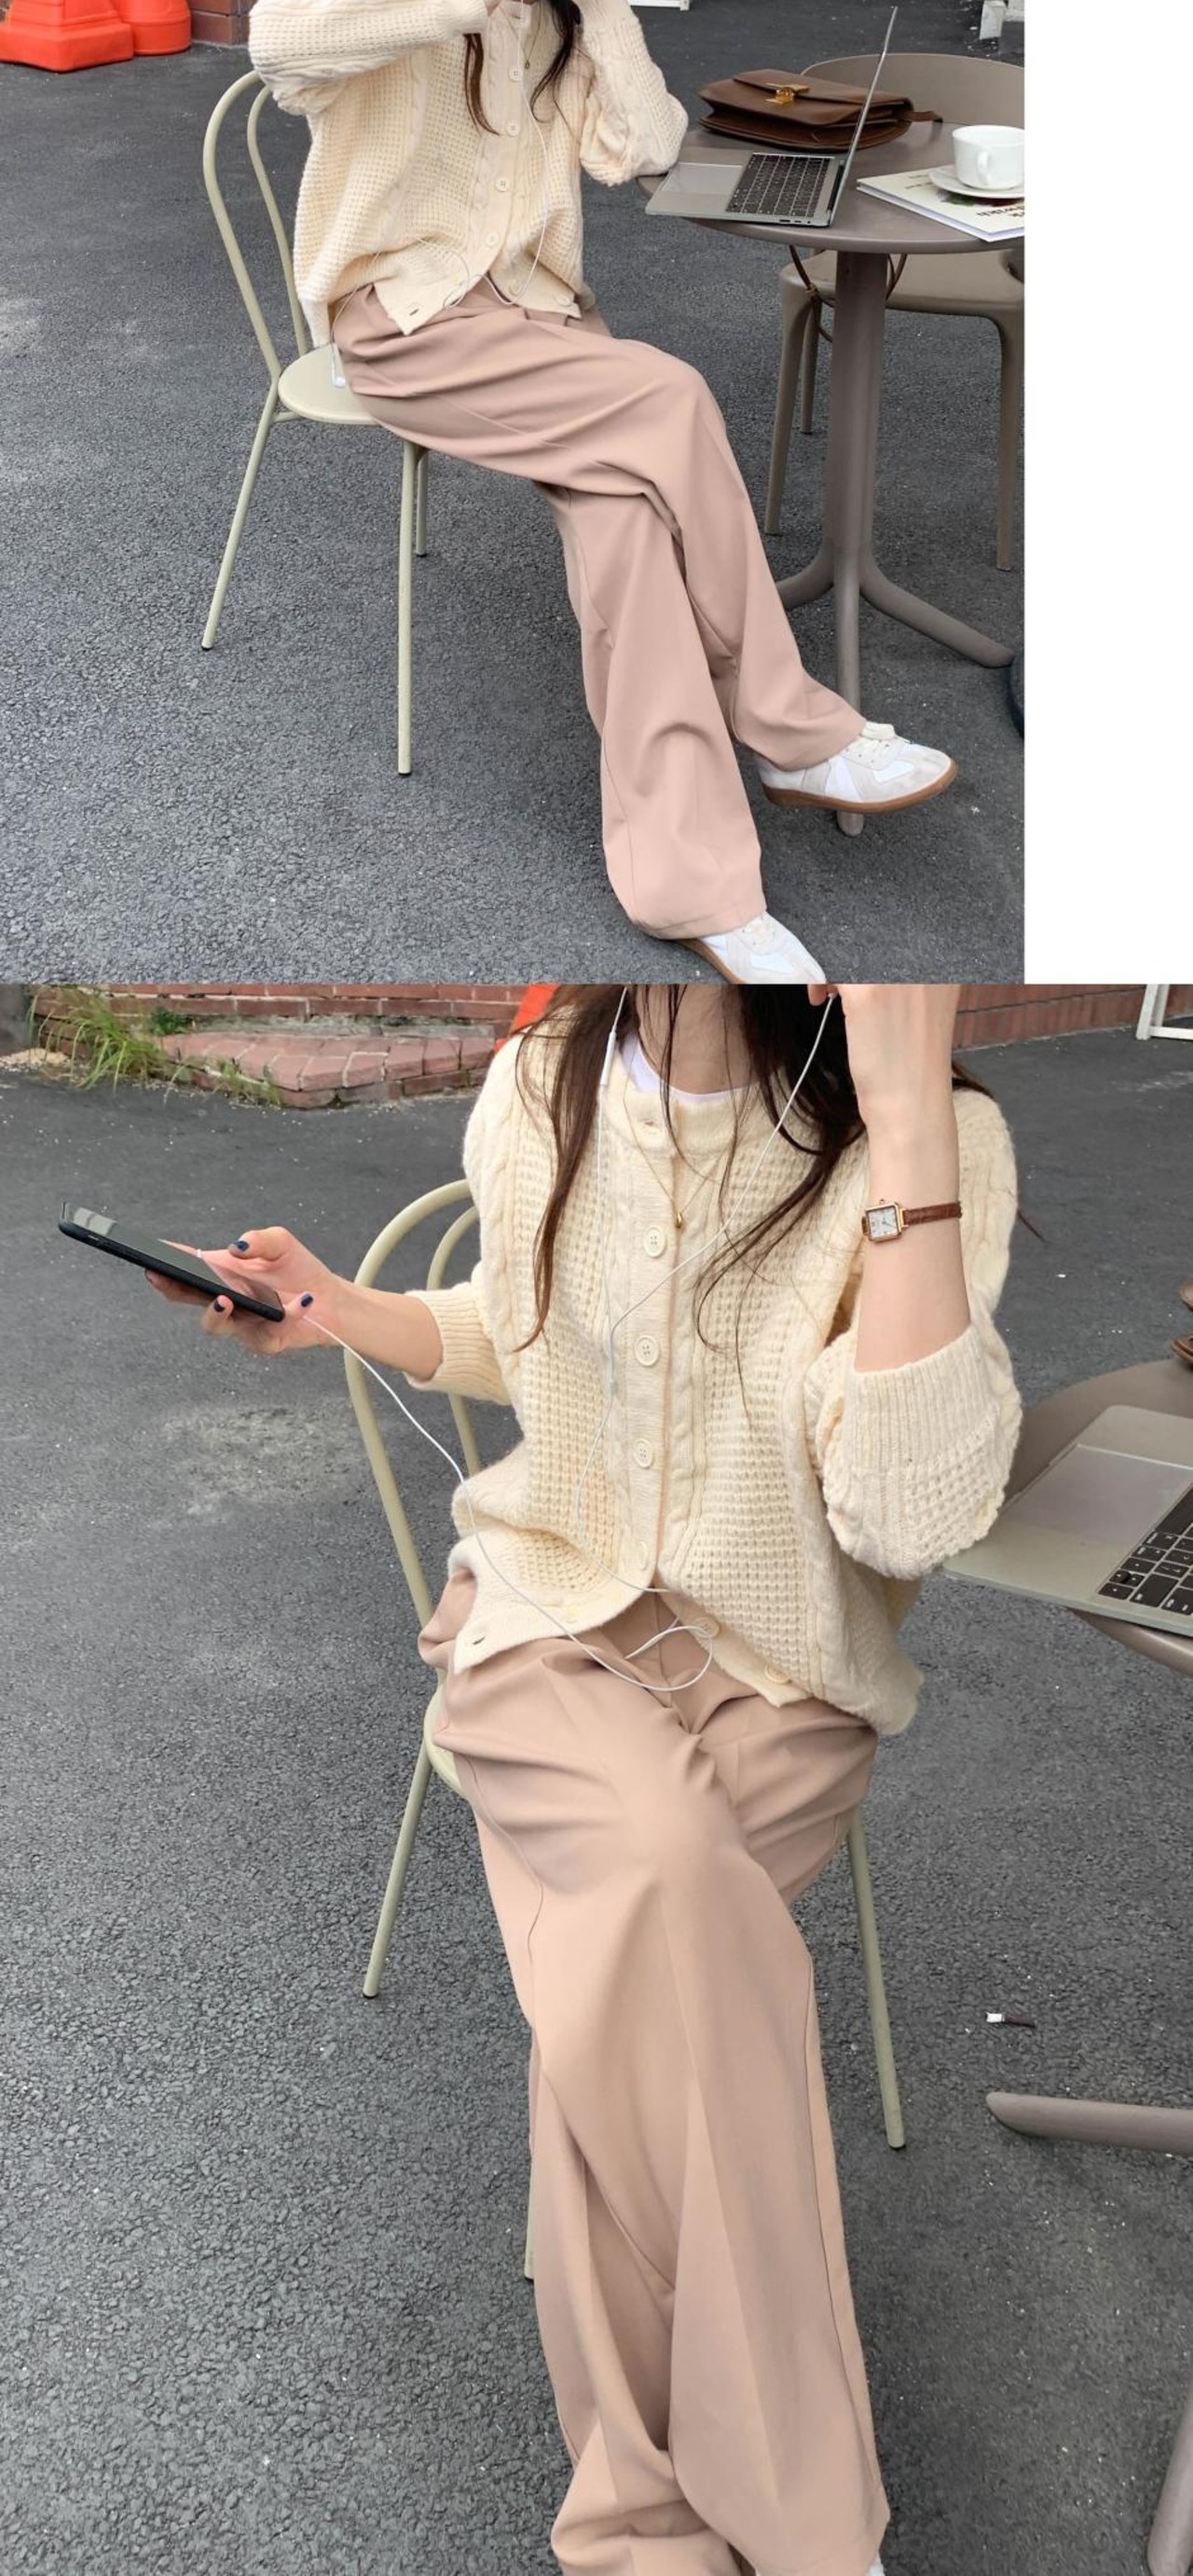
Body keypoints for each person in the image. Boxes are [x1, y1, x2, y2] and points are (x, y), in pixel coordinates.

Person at [162, 974, 1022, 2576]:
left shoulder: (926, 1138)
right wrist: (336, 1303)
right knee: (662, 1878)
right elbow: (528, 1332)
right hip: (544, 1631)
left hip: (780, 1679)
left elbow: (908, 1514)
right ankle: (810, 2533)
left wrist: (908, 1124)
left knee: (624, 1977)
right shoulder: (548, 1075)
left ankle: (641, 2523)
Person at [249, 0, 957, 973]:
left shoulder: (556, 25)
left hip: (535, 331)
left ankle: (697, 891)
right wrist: (461, 0)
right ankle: (789, 727)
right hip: (408, 330)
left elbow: (650, 145)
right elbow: (276, 43)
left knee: (626, 520)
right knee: (671, 393)